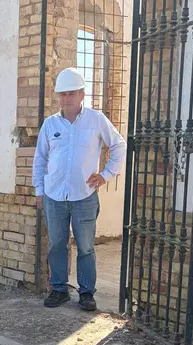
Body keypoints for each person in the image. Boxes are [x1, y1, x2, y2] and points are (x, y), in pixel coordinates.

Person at [32, 67, 126, 312]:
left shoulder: (96, 120)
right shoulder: (50, 124)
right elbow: (40, 159)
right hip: (54, 196)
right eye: (62, 94)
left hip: (84, 196)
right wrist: (39, 191)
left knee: (85, 246)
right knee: (57, 244)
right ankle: (59, 289)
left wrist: (106, 175)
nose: (66, 99)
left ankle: (86, 293)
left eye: (71, 93)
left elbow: (118, 146)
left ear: (82, 94)